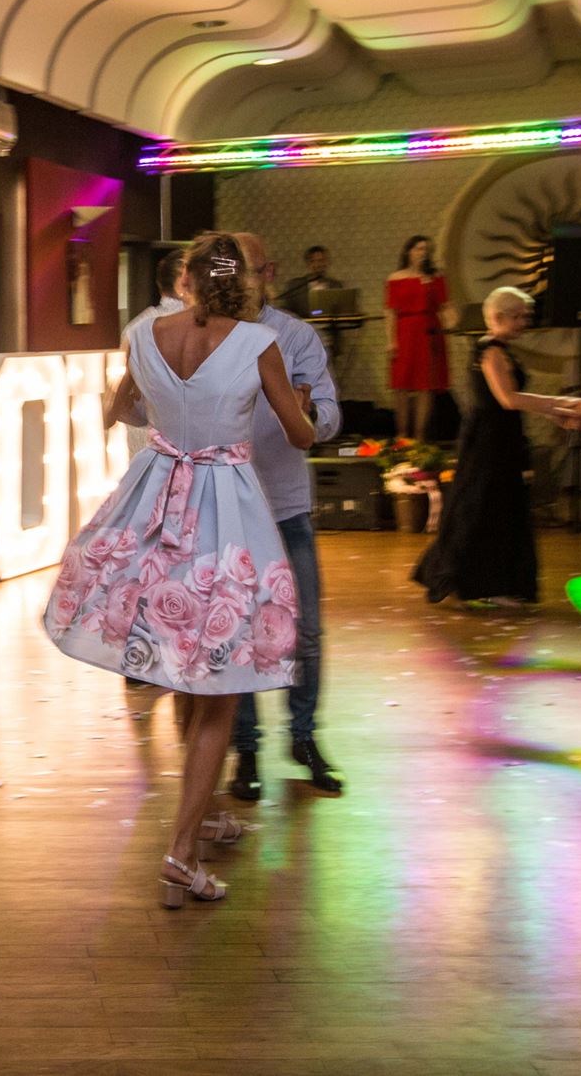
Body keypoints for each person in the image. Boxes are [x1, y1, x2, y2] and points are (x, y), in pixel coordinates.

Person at [45, 232, 315, 906]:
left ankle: (208, 813)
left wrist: (168, 415)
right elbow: (301, 433)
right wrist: (298, 405)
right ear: (244, 282)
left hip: (157, 500)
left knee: (179, 661)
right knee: (220, 683)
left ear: (187, 279)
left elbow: (120, 410)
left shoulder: (144, 335)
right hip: (226, 509)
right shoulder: (258, 343)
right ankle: (182, 849)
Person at [226, 232, 344, 798]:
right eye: (227, 269)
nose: (237, 280)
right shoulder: (207, 336)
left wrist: (309, 411)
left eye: (246, 269)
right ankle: (245, 750)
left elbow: (330, 416)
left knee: (307, 632)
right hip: (227, 507)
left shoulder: (295, 335)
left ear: (268, 272)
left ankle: (303, 736)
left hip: (286, 505)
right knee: (238, 632)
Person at [411, 287, 580, 609]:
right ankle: (458, 582)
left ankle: (496, 585)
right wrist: (559, 404)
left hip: (502, 437)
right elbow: (508, 398)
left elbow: (512, 401)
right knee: (479, 509)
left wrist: (555, 413)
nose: (524, 322)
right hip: (487, 442)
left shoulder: (500, 349)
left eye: (525, 316)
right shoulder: (490, 351)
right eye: (518, 317)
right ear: (498, 317)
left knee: (500, 511)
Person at [106, 245, 187, 456]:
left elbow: (121, 403)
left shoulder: (136, 326)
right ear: (183, 281)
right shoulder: (204, 327)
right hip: (192, 444)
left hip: (145, 442)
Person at [385, 234, 456, 440]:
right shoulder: (395, 278)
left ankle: (419, 437)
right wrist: (391, 341)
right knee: (401, 385)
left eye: (426, 250)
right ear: (409, 251)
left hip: (429, 333)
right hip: (405, 332)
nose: (423, 253)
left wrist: (454, 323)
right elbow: (390, 312)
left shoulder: (435, 277)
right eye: (419, 249)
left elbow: (445, 306)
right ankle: (402, 435)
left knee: (425, 386)